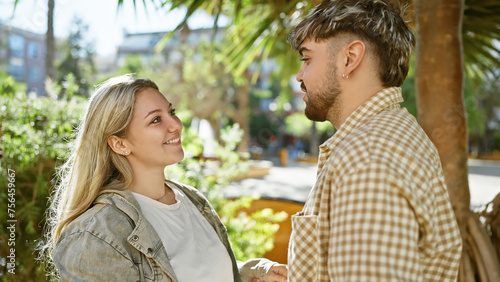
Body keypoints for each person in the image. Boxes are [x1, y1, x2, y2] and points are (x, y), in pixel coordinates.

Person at [41, 75, 287, 282]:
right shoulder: (93, 235)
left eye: (172, 112)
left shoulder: (192, 200)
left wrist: (245, 272)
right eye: (156, 120)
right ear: (120, 143)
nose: (176, 125)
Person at [286, 0, 462, 281]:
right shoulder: (392, 135)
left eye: (307, 59)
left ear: (350, 58)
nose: (300, 75)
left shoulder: (366, 158)